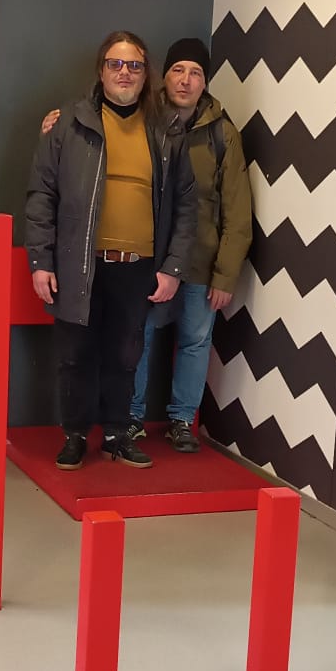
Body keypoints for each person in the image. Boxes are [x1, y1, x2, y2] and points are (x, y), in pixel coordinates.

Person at [24, 31, 196, 470]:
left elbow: (186, 204)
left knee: (125, 357)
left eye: (134, 65)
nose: (125, 73)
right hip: (79, 264)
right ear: (101, 71)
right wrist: (41, 261)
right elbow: (42, 194)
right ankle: (75, 435)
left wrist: (173, 268)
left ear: (145, 75)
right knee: (75, 356)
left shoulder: (165, 131)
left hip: (138, 267)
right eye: (115, 64)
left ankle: (118, 435)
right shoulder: (68, 124)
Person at [128, 37, 250, 452]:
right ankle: (131, 417)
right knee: (138, 337)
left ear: (205, 82)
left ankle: (182, 420)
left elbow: (237, 211)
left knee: (196, 341)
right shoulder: (141, 119)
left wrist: (226, 275)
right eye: (178, 70)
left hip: (201, 262)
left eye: (195, 73)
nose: (186, 80)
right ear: (164, 76)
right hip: (148, 259)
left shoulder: (223, 134)